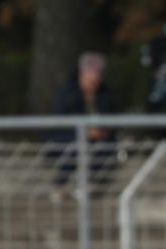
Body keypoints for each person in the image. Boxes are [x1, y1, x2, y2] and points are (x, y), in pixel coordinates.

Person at [48, 52, 117, 186]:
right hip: (69, 137)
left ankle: (94, 184)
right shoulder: (68, 94)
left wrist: (102, 131)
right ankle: (61, 184)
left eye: (97, 75)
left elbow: (112, 119)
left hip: (98, 139)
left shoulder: (105, 95)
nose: (94, 79)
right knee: (77, 147)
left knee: (105, 148)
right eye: (90, 75)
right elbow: (59, 123)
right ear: (82, 74)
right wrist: (85, 132)